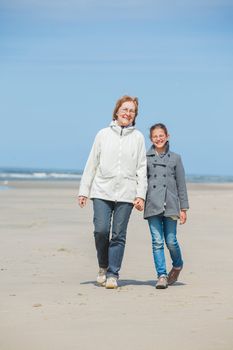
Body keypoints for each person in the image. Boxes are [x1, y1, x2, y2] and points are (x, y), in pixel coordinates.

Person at [78, 95, 147, 289]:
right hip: (101, 191)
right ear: (116, 111)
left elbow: (142, 168)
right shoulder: (102, 134)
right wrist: (84, 191)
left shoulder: (138, 137)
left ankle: (112, 274)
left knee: (118, 234)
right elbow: (92, 163)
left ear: (135, 116)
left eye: (132, 111)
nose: (128, 113)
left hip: (127, 193)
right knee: (101, 231)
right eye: (124, 109)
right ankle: (103, 266)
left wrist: (140, 195)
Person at [144, 123, 189, 289]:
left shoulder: (175, 158)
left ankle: (177, 265)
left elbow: (181, 185)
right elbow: (141, 182)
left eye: (161, 135)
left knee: (171, 241)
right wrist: (139, 199)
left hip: (171, 205)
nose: (158, 139)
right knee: (157, 242)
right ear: (151, 139)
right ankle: (161, 275)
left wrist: (183, 208)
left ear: (167, 136)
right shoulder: (145, 158)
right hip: (152, 205)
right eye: (155, 136)